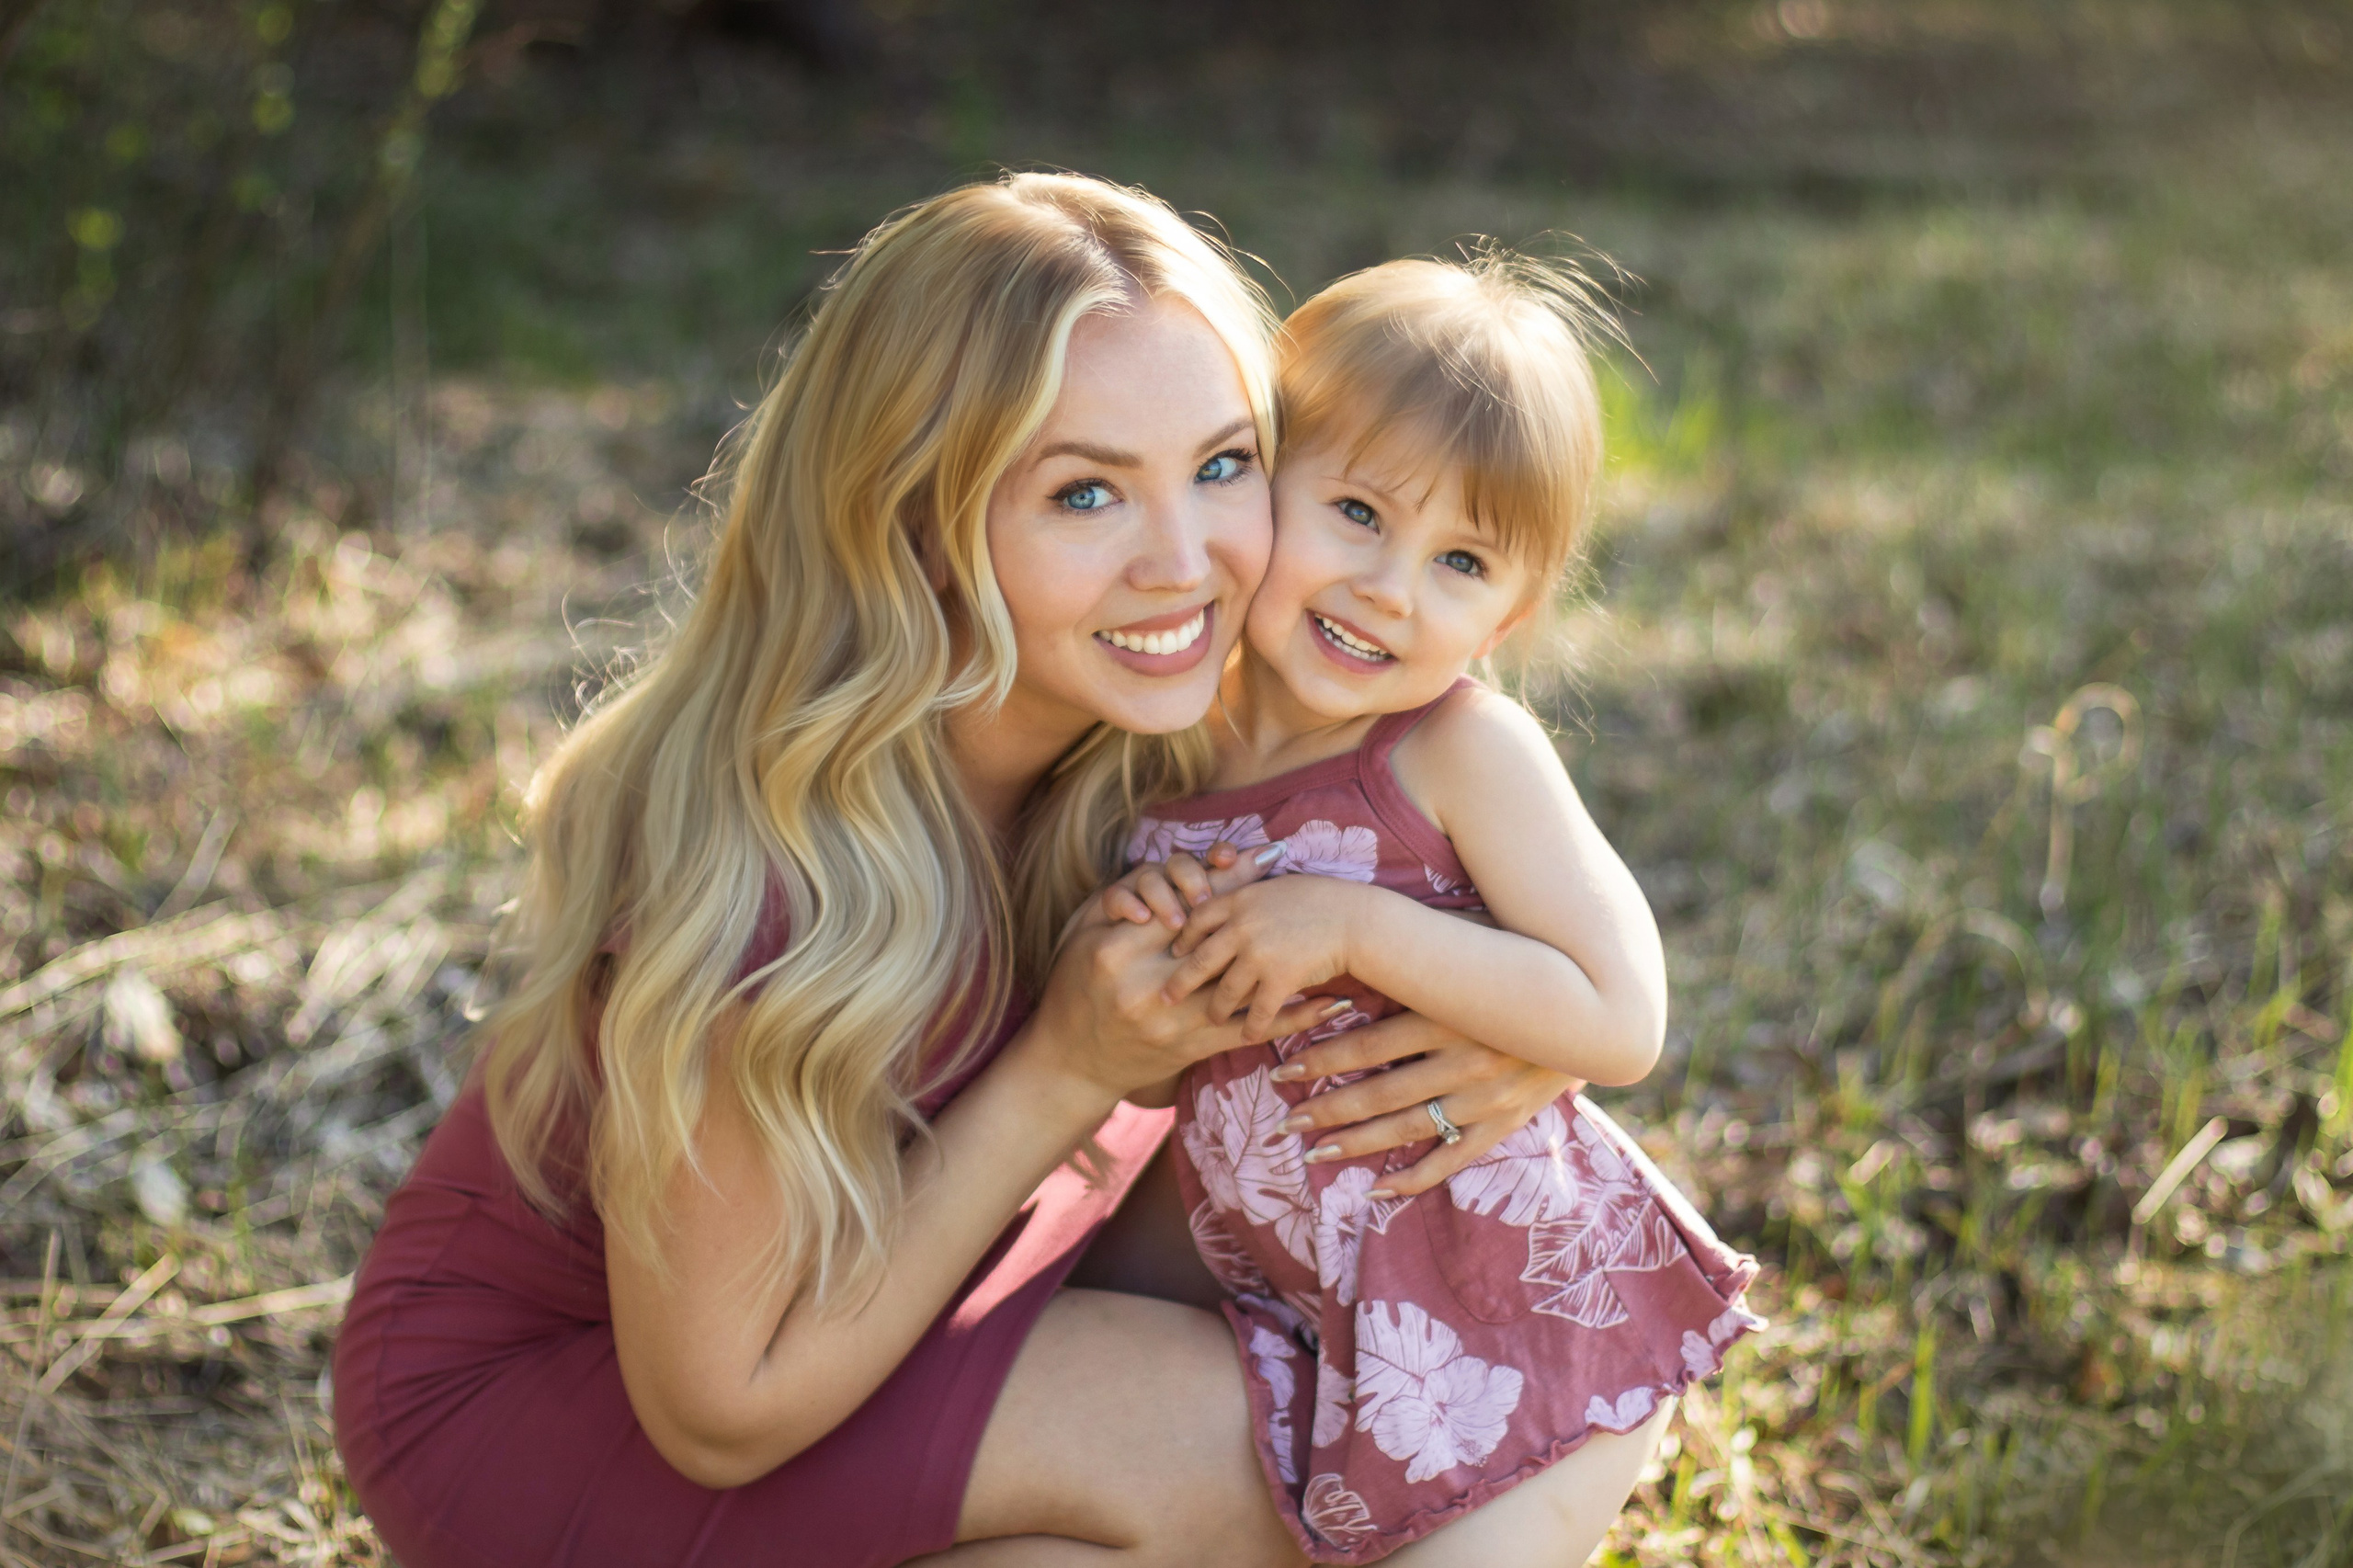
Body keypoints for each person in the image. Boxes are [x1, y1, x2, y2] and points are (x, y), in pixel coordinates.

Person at [330, 174, 1591, 1568]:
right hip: (564, 1406)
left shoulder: (1165, 725)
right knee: (1244, 1442)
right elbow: (719, 1414)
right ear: (915, 522)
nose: (1184, 565)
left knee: (1560, 1323)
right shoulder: (774, 868)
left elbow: (1483, 942)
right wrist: (1066, 1060)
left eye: (1225, 465)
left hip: (921, 1278)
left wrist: (1504, 1041)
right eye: (1085, 491)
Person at [1100, 253, 1761, 1563]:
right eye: (1356, 511)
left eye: (1459, 559)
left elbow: (1621, 1015)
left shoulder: (1458, 752)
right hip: (1316, 1326)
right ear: (1256, 480)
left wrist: (1355, 929)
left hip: (1527, 1334)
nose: (1390, 588)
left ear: (1511, 611)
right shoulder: (1168, 745)